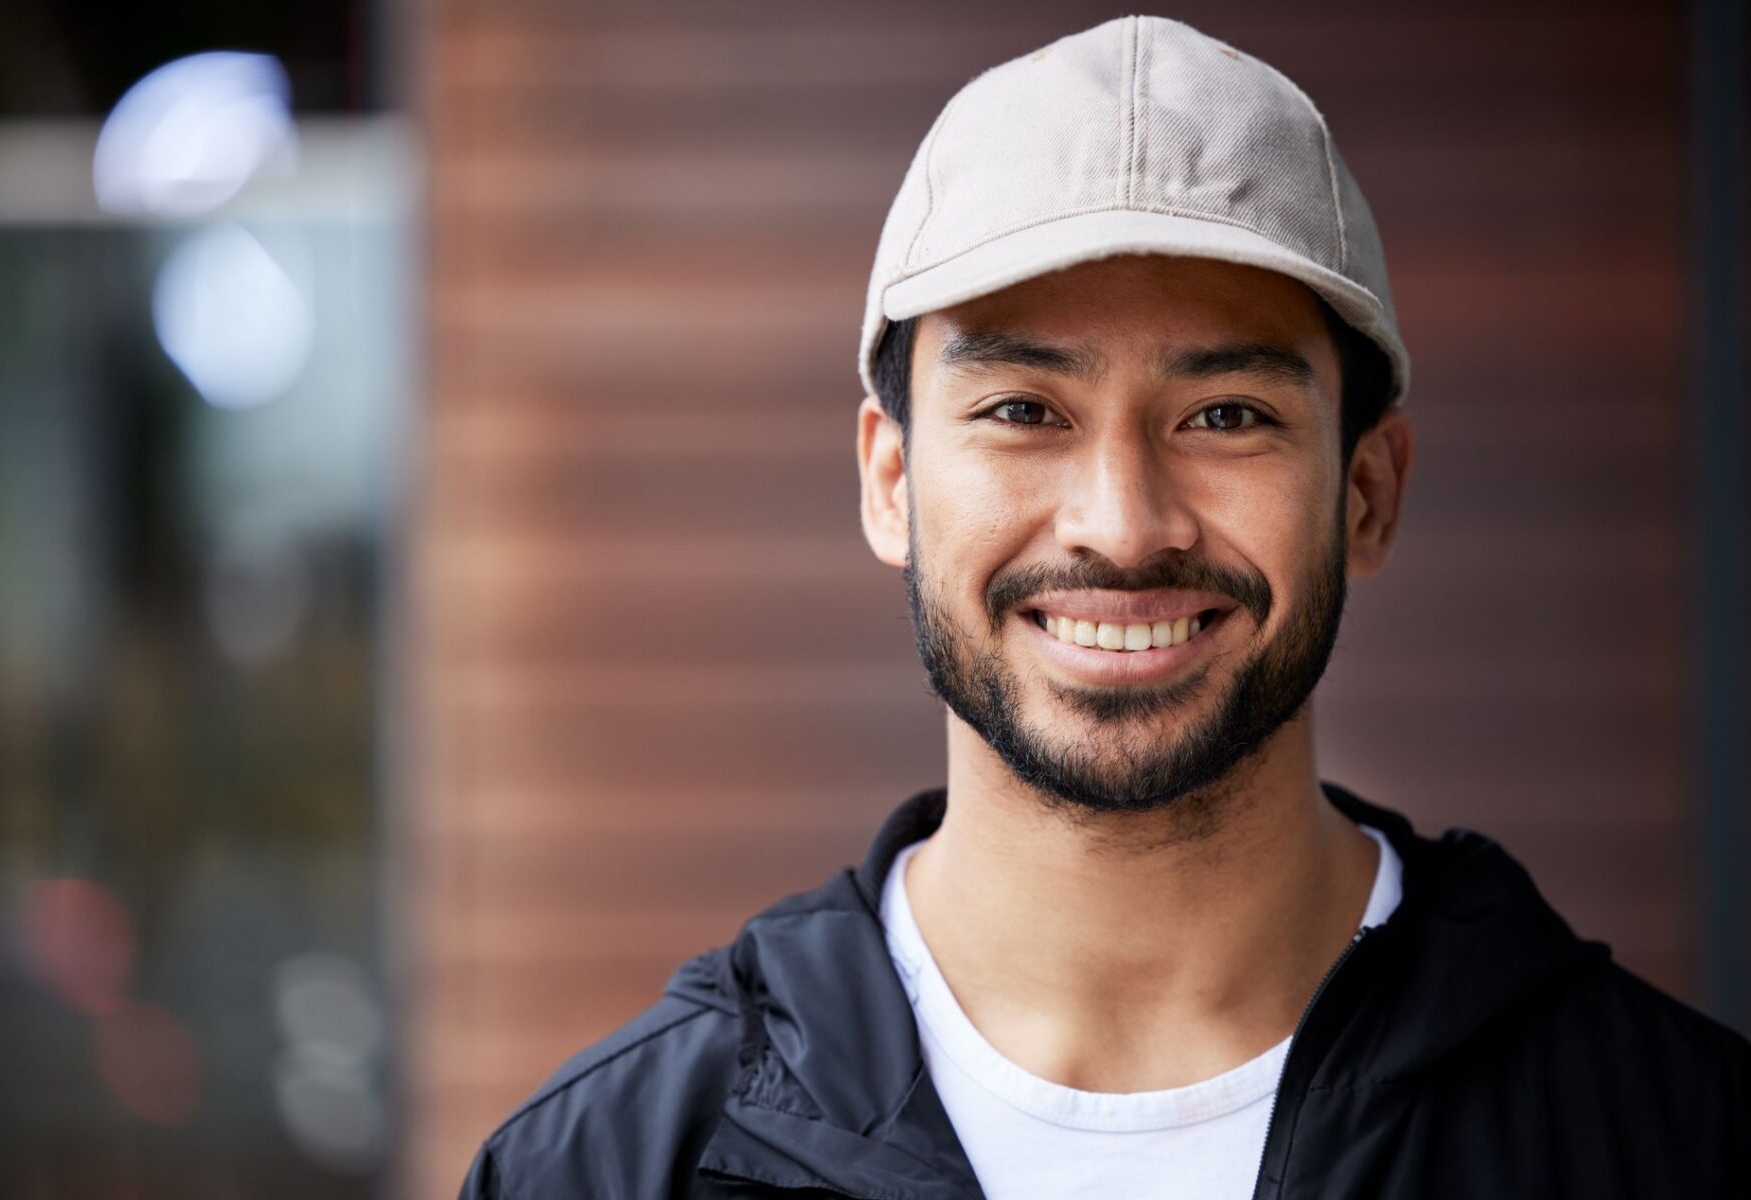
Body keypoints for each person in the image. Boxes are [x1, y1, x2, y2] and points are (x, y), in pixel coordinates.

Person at [459, 15, 1750, 1199]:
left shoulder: (1675, 1135)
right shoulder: (606, 1167)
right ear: (891, 478)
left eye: (1223, 416)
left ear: (1364, 492)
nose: (1123, 524)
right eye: (1023, 410)